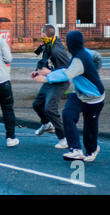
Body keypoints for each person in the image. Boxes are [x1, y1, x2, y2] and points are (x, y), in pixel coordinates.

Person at [33, 30, 105, 162]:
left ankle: (92, 150)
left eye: (68, 42)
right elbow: (97, 57)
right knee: (67, 115)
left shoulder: (80, 58)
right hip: (79, 94)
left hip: (94, 98)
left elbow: (67, 75)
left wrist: (46, 78)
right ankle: (75, 150)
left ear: (71, 44)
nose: (66, 45)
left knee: (90, 128)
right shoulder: (80, 53)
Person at [31, 24, 70, 149]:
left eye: (42, 35)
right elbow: (45, 61)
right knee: (37, 104)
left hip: (59, 83)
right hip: (49, 80)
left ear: (45, 35)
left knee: (50, 109)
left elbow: (67, 70)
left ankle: (64, 138)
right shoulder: (48, 45)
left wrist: (49, 73)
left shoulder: (56, 50)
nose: (40, 37)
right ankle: (47, 124)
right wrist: (38, 71)